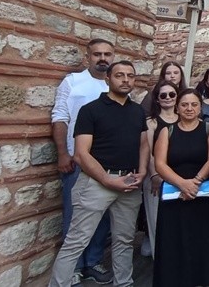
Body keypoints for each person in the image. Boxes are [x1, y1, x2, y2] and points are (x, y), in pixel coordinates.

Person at [49, 61, 148, 287]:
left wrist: (142, 171)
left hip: (130, 182)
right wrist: (107, 180)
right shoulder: (90, 110)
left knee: (124, 240)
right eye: (119, 75)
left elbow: (143, 144)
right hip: (96, 183)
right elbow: (81, 154)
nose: (125, 80)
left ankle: (124, 283)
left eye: (130, 76)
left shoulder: (137, 111)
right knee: (76, 241)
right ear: (108, 79)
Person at [50, 38, 114, 285]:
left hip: (107, 162)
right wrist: (62, 153)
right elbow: (60, 117)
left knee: (102, 216)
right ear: (88, 57)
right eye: (97, 54)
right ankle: (74, 267)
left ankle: (93, 262)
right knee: (75, 215)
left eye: (107, 54)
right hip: (77, 160)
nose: (102, 59)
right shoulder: (73, 82)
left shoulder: (115, 85)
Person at [152, 88, 209, 287]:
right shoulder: (167, 131)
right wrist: (182, 184)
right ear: (177, 107)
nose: (189, 108)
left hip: (202, 194)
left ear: (200, 107)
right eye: (185, 104)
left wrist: (195, 182)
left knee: (201, 240)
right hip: (174, 195)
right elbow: (160, 163)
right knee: (174, 241)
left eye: (194, 104)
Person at [142, 81, 179, 259]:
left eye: (172, 94)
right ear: (157, 99)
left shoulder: (184, 118)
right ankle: (160, 262)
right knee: (157, 221)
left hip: (179, 177)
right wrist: (155, 174)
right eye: (163, 95)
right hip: (157, 178)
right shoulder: (151, 122)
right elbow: (148, 151)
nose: (168, 98)